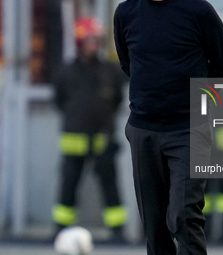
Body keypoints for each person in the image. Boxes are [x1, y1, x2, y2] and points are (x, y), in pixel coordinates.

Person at [114, 0, 223, 254]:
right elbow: (129, 64)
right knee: (154, 226)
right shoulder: (126, 13)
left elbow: (222, 63)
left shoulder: (199, 11)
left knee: (183, 216)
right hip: (143, 129)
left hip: (189, 128)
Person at [52, 17, 127, 240]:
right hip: (74, 140)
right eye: (89, 41)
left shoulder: (110, 71)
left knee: (110, 186)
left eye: (96, 41)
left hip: (103, 139)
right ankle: (61, 229)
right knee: (68, 186)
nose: (93, 45)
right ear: (80, 43)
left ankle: (117, 232)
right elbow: (59, 100)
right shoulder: (66, 71)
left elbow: (117, 101)